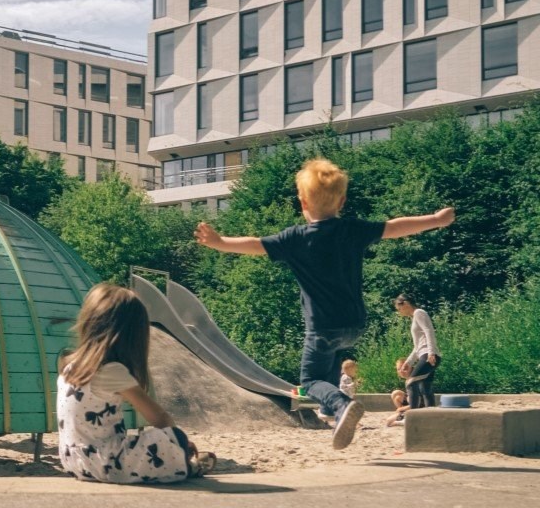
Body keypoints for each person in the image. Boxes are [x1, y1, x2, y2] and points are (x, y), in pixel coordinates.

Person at [194, 158, 455, 449]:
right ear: (342, 201)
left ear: (302, 202)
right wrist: (435, 219)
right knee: (330, 365)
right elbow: (395, 227)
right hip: (354, 325)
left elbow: (255, 244)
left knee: (310, 379)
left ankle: (341, 405)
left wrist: (218, 241)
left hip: (322, 328)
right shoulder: (352, 230)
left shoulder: (295, 239)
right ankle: (333, 411)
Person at [57, 283, 216, 484]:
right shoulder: (110, 370)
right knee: (176, 437)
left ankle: (185, 462)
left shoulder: (69, 366)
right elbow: (159, 417)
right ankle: (192, 466)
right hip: (106, 462)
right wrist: (179, 443)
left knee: (153, 442)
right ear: (132, 335)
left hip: (74, 462)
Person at [394, 293, 442, 409]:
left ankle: (413, 414)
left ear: (405, 304)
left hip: (428, 355)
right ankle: (430, 416)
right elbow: (417, 347)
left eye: (399, 309)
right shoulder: (414, 317)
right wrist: (408, 362)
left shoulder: (419, 312)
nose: (399, 312)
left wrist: (431, 353)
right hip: (424, 354)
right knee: (425, 388)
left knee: (410, 383)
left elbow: (428, 331)